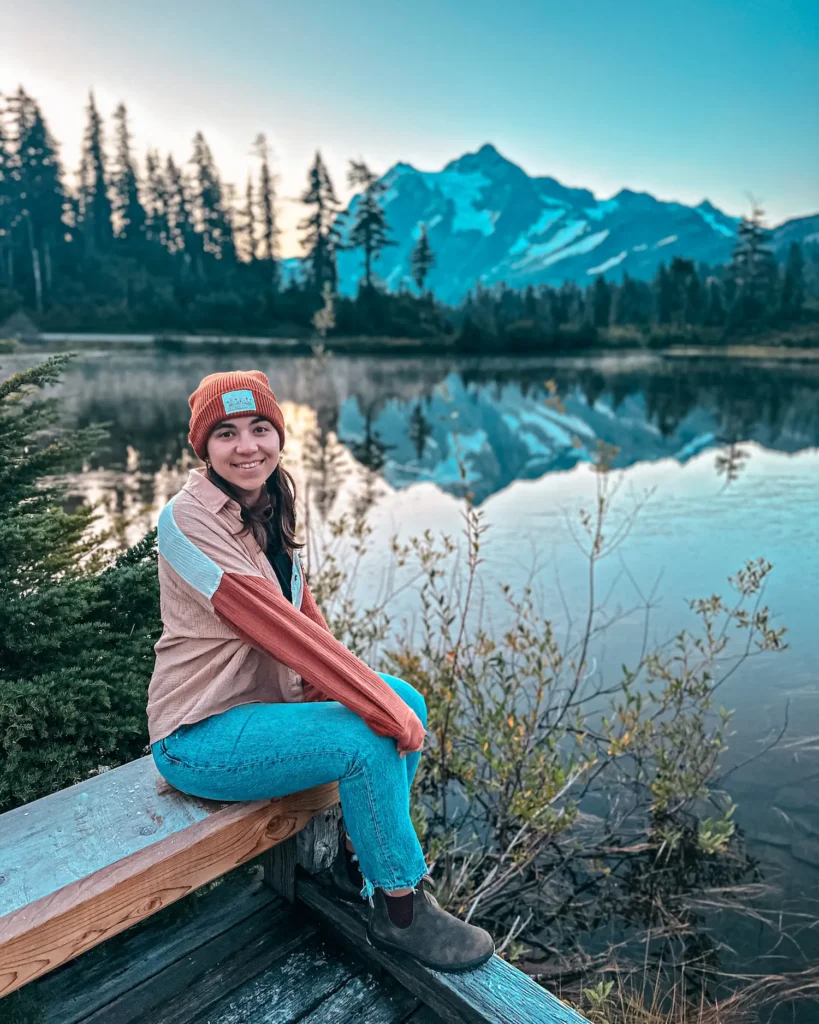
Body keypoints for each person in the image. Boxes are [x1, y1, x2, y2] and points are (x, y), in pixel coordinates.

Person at [147, 370, 494, 973]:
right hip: (198, 735)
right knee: (369, 733)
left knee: (407, 699)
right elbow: (276, 627)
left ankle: (357, 865)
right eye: (226, 434)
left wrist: (379, 699)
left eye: (260, 428)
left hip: (260, 713)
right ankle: (401, 911)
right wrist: (374, 707)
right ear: (204, 447)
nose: (247, 446)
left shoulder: (267, 502)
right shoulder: (186, 522)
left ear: (279, 436)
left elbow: (304, 613)